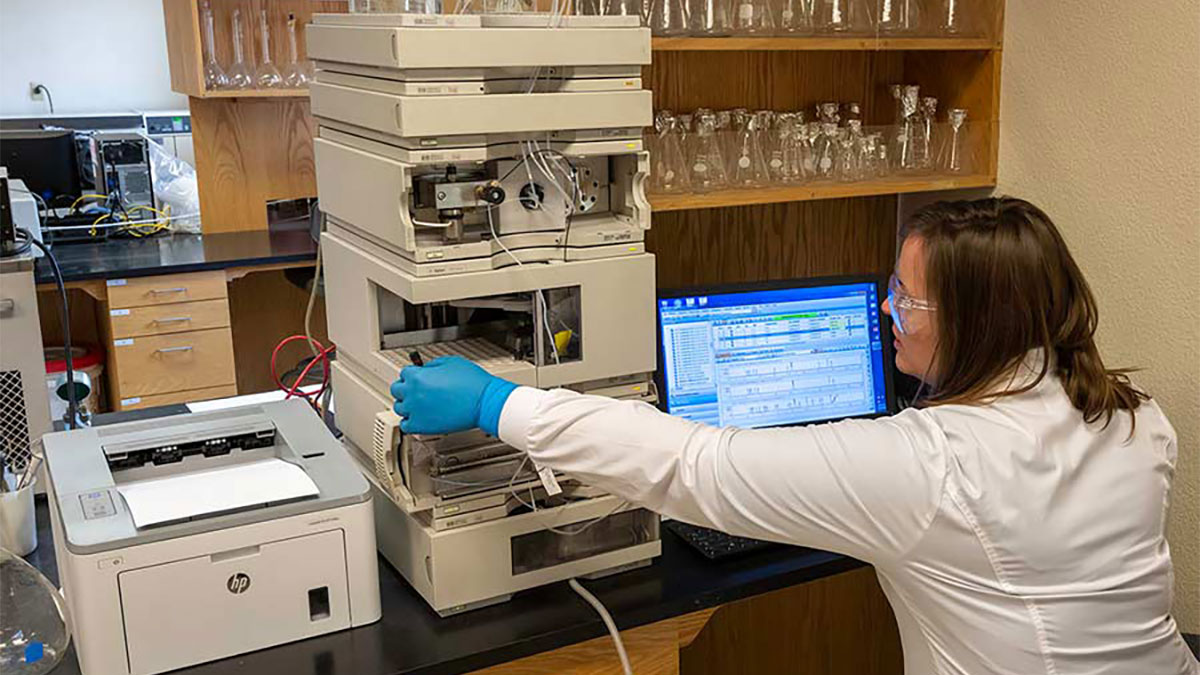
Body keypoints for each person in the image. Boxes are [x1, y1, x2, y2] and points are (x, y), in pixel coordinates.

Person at [390, 198, 1198, 675]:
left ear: (978, 323)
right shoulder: (1135, 417)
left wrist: (497, 401)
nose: (888, 311)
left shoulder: (935, 466)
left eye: (907, 300)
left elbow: (693, 464)